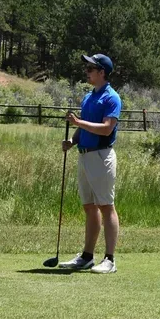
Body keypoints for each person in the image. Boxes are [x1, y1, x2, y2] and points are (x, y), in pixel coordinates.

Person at [58, 54, 122, 274]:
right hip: (85, 155)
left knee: (106, 206)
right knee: (89, 207)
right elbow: (83, 127)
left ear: (101, 72)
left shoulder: (112, 98)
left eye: (91, 68)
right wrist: (72, 141)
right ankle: (87, 257)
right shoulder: (88, 97)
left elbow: (106, 128)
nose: (87, 71)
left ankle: (110, 259)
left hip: (101, 156)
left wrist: (77, 122)